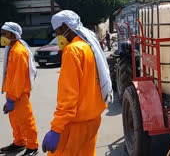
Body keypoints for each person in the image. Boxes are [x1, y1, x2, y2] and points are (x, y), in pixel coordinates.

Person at [42, 10, 113, 155]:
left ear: (64, 27)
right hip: (92, 119)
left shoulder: (72, 51)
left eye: (57, 31)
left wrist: (56, 128)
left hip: (75, 125)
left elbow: (68, 97)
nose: (57, 36)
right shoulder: (88, 46)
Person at [0, 22, 38, 156]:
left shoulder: (19, 51)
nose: (2, 36)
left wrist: (12, 98)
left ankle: (32, 146)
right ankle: (19, 142)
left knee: (25, 120)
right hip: (12, 92)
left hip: (19, 93)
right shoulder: (11, 48)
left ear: (13, 34)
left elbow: (19, 78)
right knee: (15, 120)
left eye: (4, 33)